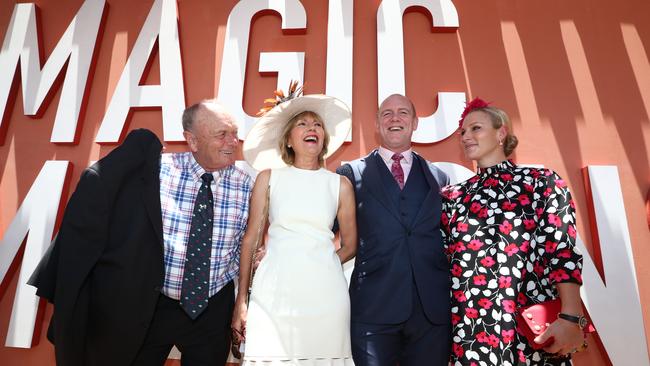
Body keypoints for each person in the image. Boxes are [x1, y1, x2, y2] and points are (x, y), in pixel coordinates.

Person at [29, 100, 253, 366]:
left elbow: (246, 243)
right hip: (153, 305)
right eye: (222, 134)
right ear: (192, 140)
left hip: (212, 308)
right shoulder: (153, 172)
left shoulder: (248, 183)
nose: (233, 142)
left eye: (235, 133)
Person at [441, 98, 586, 365]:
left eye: (476, 128)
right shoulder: (452, 197)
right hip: (471, 331)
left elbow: (562, 252)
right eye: (462, 132)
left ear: (501, 133)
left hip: (529, 330)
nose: (466, 136)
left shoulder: (541, 182)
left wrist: (570, 316)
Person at [231, 92, 357, 365]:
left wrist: (321, 263)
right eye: (302, 124)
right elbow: (251, 239)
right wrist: (242, 301)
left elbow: (350, 245)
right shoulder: (268, 178)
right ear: (288, 139)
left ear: (324, 137)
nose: (312, 128)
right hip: (272, 294)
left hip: (326, 296)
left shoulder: (340, 185)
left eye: (317, 124)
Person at [336, 94, 451, 366]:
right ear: (376, 123)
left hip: (430, 313)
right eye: (387, 113)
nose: (395, 118)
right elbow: (320, 229)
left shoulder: (439, 177)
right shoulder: (349, 173)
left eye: (402, 112)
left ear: (415, 123)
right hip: (372, 310)